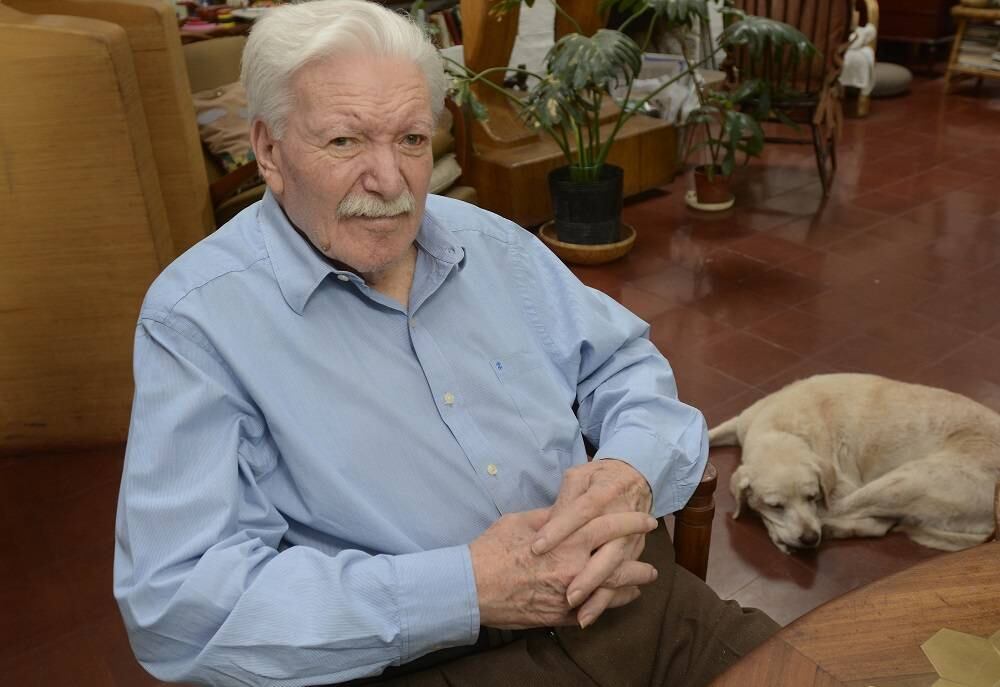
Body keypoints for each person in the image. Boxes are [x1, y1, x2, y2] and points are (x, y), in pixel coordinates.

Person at [113, 1, 778, 685]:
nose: (390, 180)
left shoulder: (488, 242)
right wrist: (465, 589)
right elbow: (177, 607)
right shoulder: (198, 321)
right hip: (433, 659)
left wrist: (630, 472)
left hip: (629, 602)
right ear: (269, 151)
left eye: (410, 139)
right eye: (344, 142)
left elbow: (625, 366)